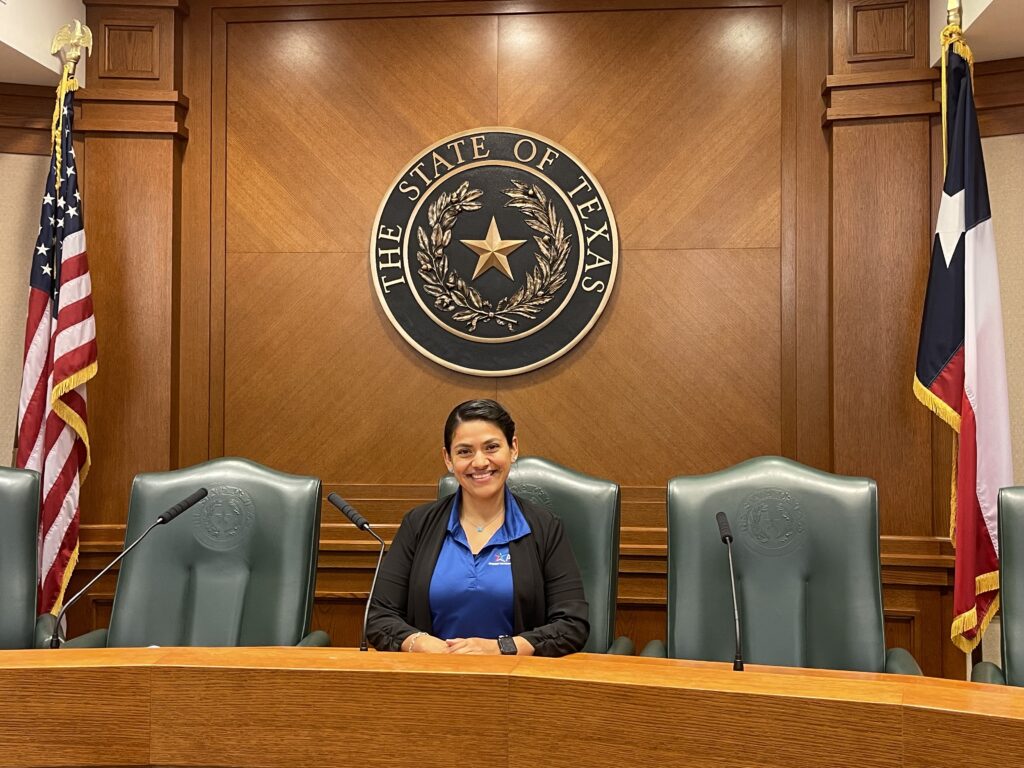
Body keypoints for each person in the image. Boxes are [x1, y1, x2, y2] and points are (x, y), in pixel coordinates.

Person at [366, 399, 589, 656]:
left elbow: (572, 625)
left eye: (492, 447)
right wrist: (423, 644)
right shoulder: (418, 524)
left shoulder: (544, 528)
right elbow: (379, 617)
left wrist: (502, 647)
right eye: (464, 452)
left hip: (516, 682)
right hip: (432, 679)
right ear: (448, 459)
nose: (480, 462)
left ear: (513, 448)